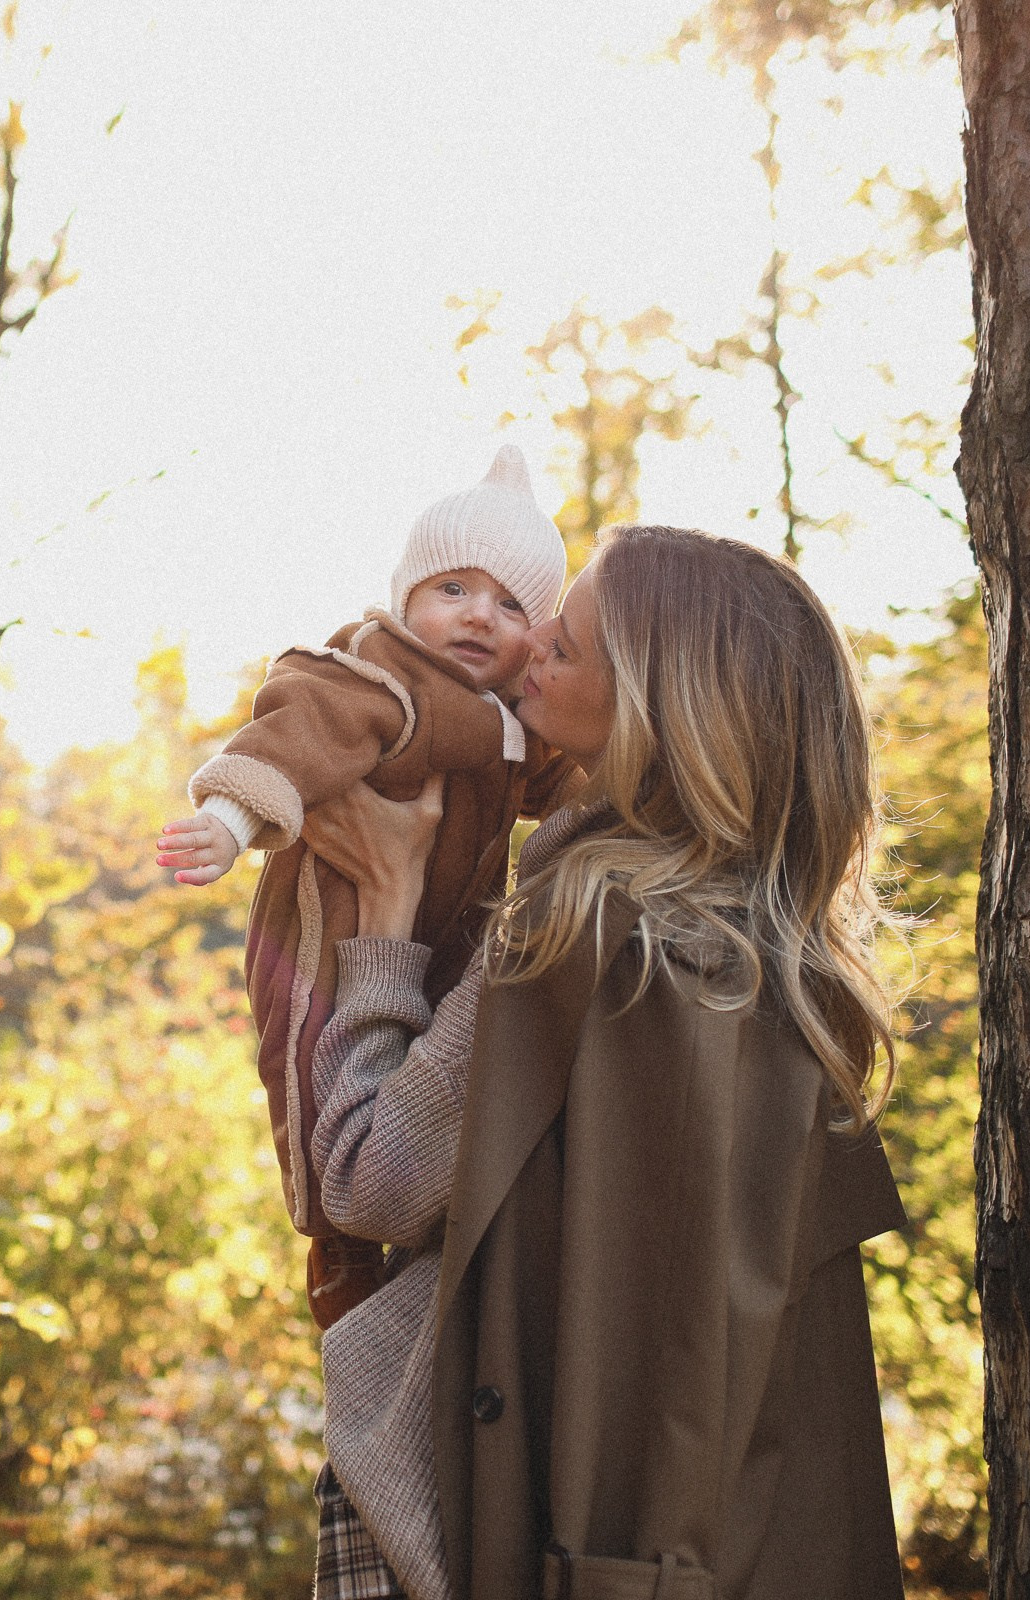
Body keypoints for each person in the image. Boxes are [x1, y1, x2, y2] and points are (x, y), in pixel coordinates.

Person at [301, 525, 908, 1600]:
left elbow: (371, 1177)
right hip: (715, 1542)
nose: (529, 645)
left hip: (449, 1518)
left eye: (568, 646)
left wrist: (383, 924)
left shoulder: (581, 921)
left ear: (653, 708)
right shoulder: (787, 974)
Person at [154, 445, 578, 1330]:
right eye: (452, 591)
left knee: (420, 1069)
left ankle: (399, 1216)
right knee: (309, 1062)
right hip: (326, 932)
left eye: (510, 605)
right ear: (407, 595)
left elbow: (566, 793)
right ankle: (330, 1230)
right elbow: (294, 735)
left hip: (443, 935)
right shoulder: (377, 676)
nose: (478, 618)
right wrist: (231, 823)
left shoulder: (514, 721)